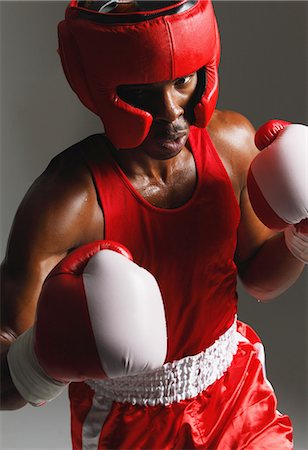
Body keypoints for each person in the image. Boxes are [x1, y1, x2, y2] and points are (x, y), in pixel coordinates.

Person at [1, 0, 307, 449]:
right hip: (128, 424)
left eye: (182, 81)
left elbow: (260, 275)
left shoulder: (232, 144)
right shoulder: (67, 202)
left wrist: (300, 239)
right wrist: (43, 360)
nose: (170, 112)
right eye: (141, 92)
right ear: (100, 88)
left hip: (235, 395)